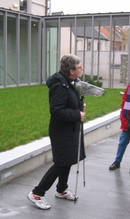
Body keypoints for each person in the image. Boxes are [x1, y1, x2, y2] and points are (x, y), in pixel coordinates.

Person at [27, 54, 86, 210]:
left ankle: (61, 189)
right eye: (80, 67)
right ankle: (37, 193)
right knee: (61, 163)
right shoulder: (60, 85)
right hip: (61, 131)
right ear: (71, 70)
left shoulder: (69, 82)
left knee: (68, 160)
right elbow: (56, 110)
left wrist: (78, 107)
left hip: (70, 128)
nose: (82, 69)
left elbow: (67, 103)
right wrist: (77, 114)